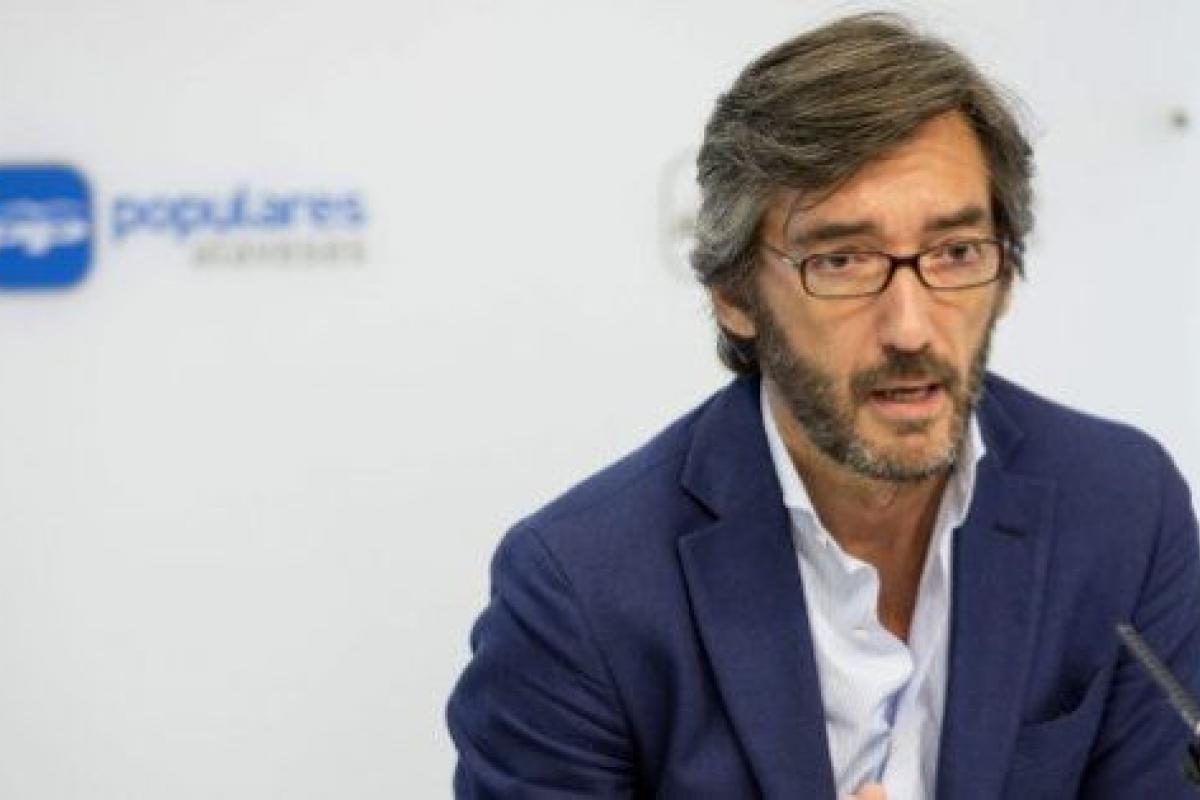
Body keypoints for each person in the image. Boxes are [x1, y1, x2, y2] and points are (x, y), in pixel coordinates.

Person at [446, 13, 1200, 799]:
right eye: (843, 261)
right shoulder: (582, 588)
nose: (911, 327)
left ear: (1005, 271)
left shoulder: (1122, 508)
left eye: (955, 253)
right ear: (735, 293)